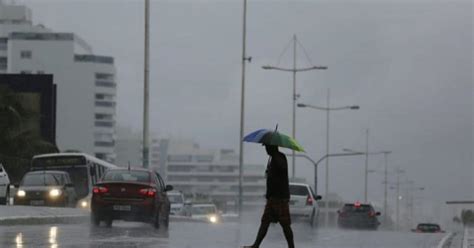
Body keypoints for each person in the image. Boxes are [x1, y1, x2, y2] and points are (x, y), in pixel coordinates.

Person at [243, 145, 294, 248]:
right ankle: (256, 245)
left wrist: (275, 158)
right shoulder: (273, 159)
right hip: (272, 198)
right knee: (265, 222)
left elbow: (282, 167)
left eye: (267, 147)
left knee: (285, 225)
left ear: (272, 147)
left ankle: (291, 246)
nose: (265, 149)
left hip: (280, 198)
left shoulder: (279, 157)